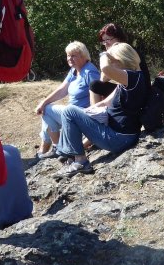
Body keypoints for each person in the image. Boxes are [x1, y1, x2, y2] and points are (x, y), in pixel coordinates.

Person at [54, 42, 148, 177]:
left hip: (118, 138)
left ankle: (80, 162)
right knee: (71, 113)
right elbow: (104, 101)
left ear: (121, 59)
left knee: (69, 111)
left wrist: (104, 54)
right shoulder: (135, 78)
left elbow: (104, 69)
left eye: (113, 60)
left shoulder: (131, 77)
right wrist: (83, 116)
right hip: (123, 136)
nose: (111, 63)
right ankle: (69, 155)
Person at [35, 41, 99, 158]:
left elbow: (98, 95)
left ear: (83, 56)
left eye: (73, 55)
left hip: (82, 115)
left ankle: (55, 148)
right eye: (68, 55)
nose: (70, 58)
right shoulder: (75, 71)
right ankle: (54, 148)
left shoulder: (90, 72)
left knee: (47, 110)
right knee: (46, 109)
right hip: (71, 114)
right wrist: (43, 102)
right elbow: (62, 90)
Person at [89, 23, 129, 105]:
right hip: (128, 89)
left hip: (134, 92)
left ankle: (95, 115)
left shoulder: (124, 53)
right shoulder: (124, 51)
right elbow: (103, 79)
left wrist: (106, 55)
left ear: (119, 38)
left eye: (108, 39)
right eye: (104, 41)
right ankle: (98, 112)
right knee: (97, 85)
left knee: (95, 85)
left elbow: (104, 77)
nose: (105, 43)